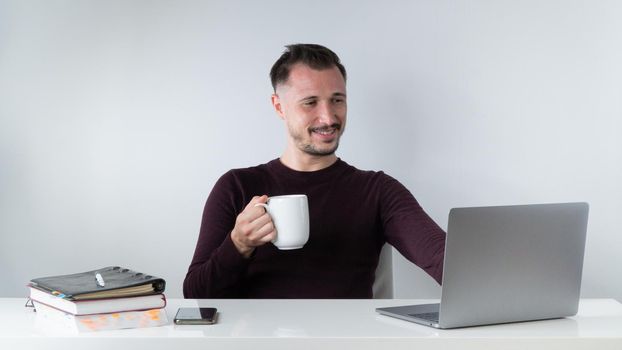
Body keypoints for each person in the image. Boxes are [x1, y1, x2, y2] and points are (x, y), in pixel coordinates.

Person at [183, 44, 446, 298]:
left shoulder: (378, 191)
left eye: (337, 100)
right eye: (310, 102)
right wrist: (239, 244)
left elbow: (442, 258)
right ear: (279, 106)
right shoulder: (237, 186)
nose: (329, 117)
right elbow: (196, 294)